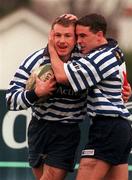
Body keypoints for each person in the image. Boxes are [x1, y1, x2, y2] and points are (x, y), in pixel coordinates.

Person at [48, 13, 132, 180]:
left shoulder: (100, 57)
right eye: (77, 36)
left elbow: (62, 76)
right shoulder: (113, 48)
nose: (79, 41)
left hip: (107, 128)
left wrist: (51, 48)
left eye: (83, 36)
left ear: (99, 35)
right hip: (120, 129)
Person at [6, 16, 87, 180]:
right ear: (50, 36)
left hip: (67, 129)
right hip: (39, 128)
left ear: (76, 37)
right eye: (58, 35)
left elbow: (108, 47)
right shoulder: (35, 60)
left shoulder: (85, 60)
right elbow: (10, 99)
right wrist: (35, 93)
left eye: (67, 35)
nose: (62, 41)